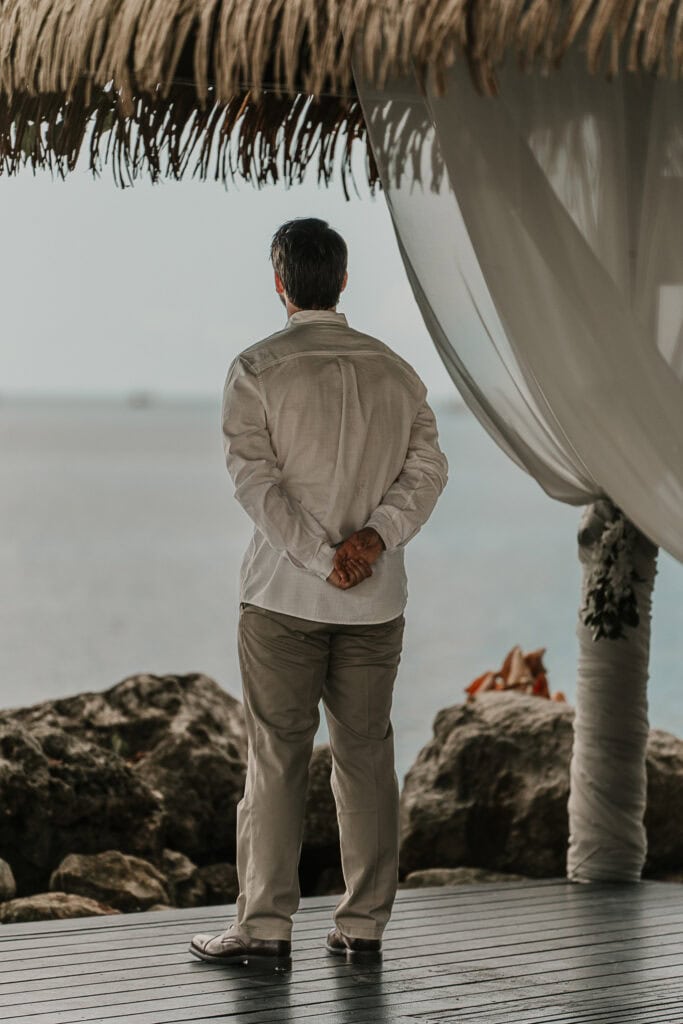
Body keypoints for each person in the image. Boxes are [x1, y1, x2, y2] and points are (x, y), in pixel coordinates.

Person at [189, 217, 449, 967]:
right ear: (341, 280)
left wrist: (318, 556)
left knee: (275, 757)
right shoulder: (396, 370)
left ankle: (265, 929)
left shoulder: (255, 368)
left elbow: (254, 483)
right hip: (374, 603)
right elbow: (427, 471)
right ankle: (362, 927)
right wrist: (372, 541)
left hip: (280, 600)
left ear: (280, 281)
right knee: (366, 758)